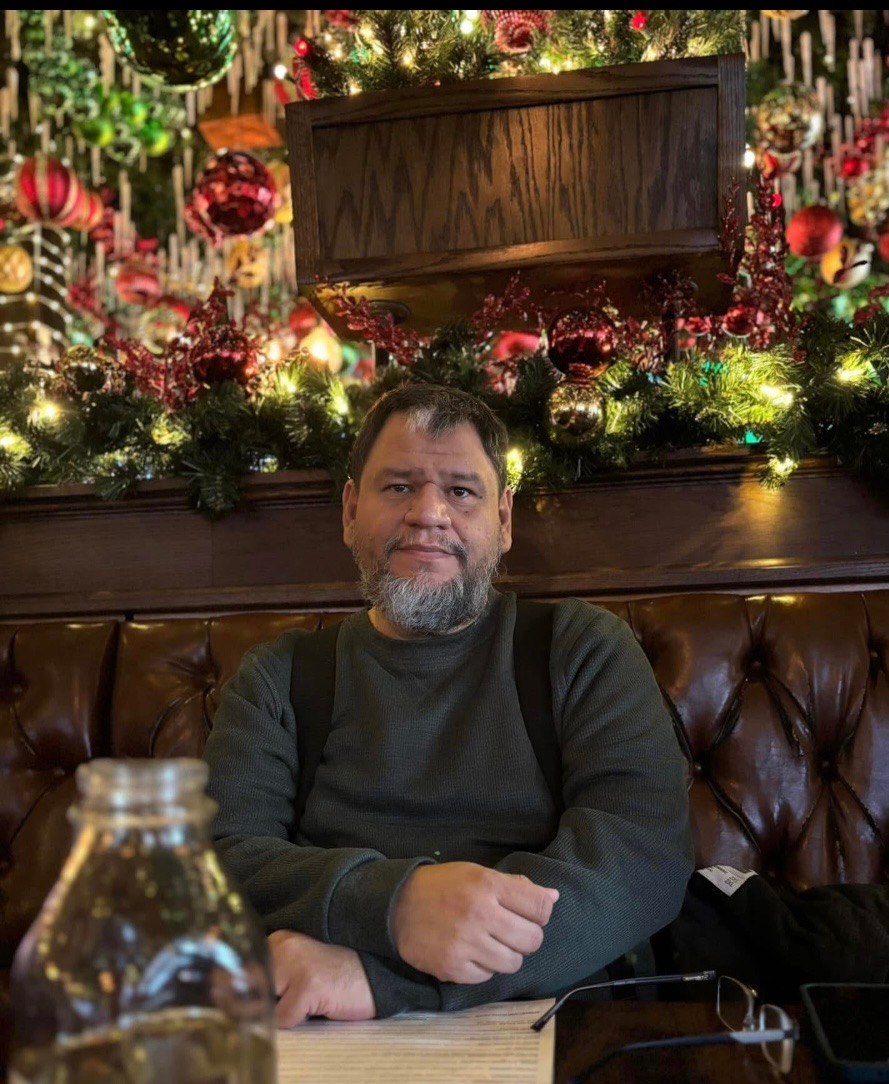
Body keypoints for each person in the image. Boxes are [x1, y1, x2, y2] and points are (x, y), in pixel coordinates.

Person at [203, 383, 694, 1027]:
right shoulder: (278, 677)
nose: (429, 513)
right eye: (398, 487)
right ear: (350, 511)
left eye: (462, 491)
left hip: (553, 1018)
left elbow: (641, 860)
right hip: (316, 1025)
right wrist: (393, 904)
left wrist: (384, 980)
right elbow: (217, 864)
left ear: (504, 520)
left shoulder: (583, 649)